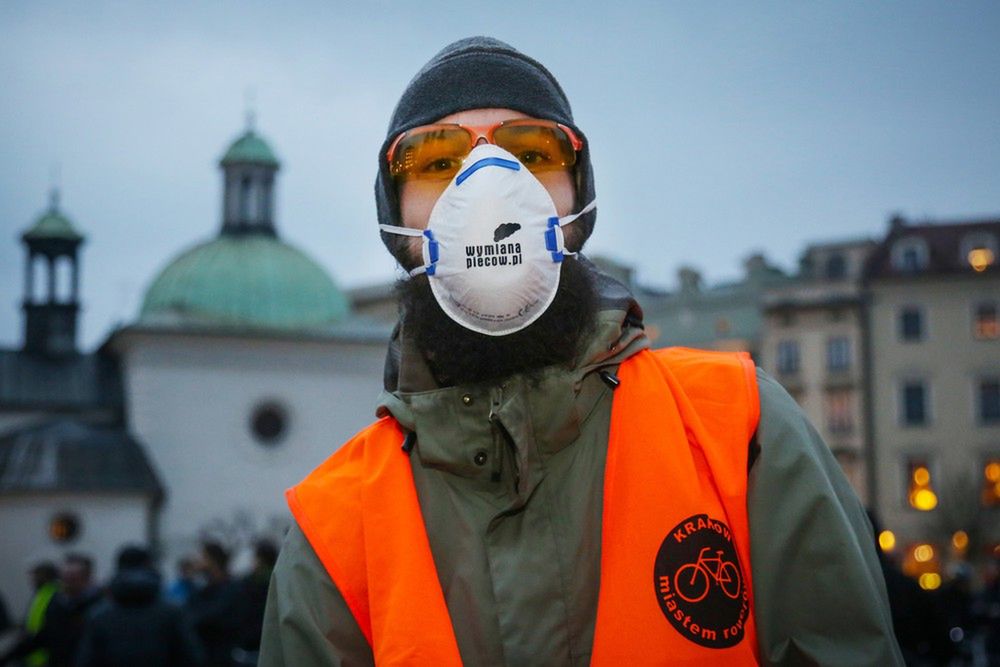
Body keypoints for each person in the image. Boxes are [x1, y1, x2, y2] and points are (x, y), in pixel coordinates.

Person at [260, 36, 903, 666]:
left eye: (533, 153)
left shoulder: (737, 426)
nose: (488, 186)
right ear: (395, 221)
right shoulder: (335, 526)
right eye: (435, 161)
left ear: (577, 203)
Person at [74, 545, 205, 667]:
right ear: (149, 567)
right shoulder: (172, 613)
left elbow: (86, 660)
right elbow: (192, 658)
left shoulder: (99, 616)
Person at [185, 541, 240, 667]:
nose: (198, 561)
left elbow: (210, 616)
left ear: (213, 560)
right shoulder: (204, 588)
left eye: (203, 557)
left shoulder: (231, 588)